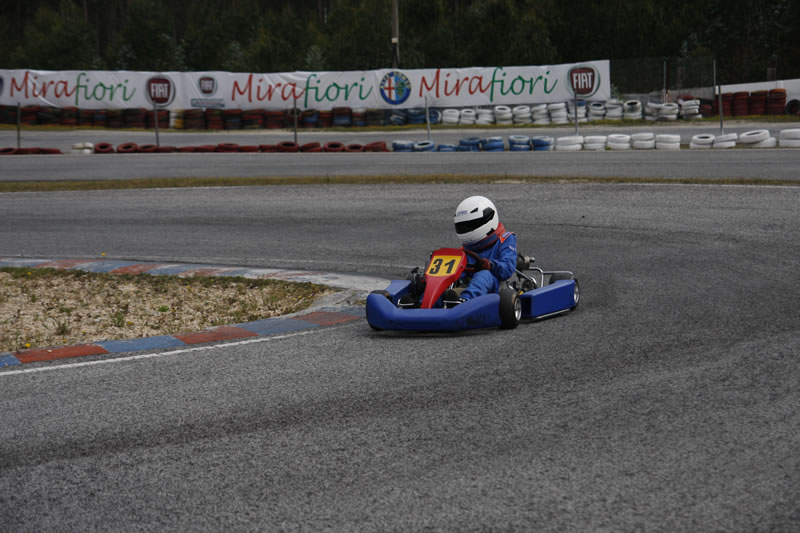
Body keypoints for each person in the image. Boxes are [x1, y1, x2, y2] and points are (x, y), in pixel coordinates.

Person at [446, 195, 518, 305]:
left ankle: (464, 301)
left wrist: (491, 265)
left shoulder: (505, 239)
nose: (466, 229)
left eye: (470, 225)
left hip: (495, 286)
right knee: (445, 277)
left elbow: (507, 269)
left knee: (483, 274)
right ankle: (425, 303)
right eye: (463, 226)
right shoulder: (465, 249)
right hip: (468, 284)